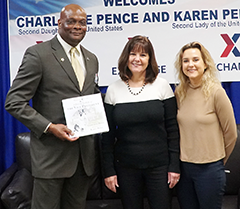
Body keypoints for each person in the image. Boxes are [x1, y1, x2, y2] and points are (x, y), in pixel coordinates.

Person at [5, 4, 99, 209]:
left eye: (82, 23)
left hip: (83, 159)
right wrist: (49, 127)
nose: (77, 26)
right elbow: (14, 102)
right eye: (71, 21)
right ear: (59, 23)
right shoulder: (38, 54)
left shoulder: (91, 59)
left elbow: (89, 96)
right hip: (51, 158)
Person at [102, 35, 180, 209]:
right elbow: (107, 136)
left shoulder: (162, 86)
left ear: (150, 59)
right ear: (126, 57)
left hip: (160, 167)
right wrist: (108, 171)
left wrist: (174, 166)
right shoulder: (113, 89)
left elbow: (173, 130)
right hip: (125, 168)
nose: (137, 59)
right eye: (133, 54)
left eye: (143, 55)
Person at [174, 41, 237, 209]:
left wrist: (217, 161)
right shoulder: (179, 93)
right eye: (186, 61)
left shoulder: (217, 92)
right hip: (184, 169)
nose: (190, 64)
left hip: (210, 170)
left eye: (195, 59)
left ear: (205, 64)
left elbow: (231, 133)